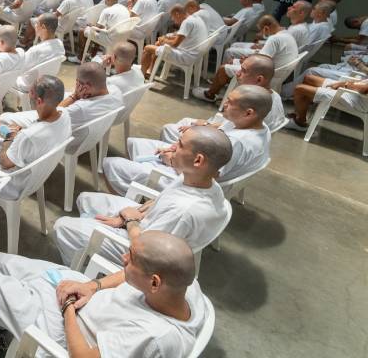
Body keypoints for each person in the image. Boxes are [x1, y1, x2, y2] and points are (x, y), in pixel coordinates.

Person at [0, 231, 208, 356]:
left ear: (154, 283)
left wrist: (67, 307)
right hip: (85, 299)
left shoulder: (155, 338)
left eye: (132, 258)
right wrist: (93, 286)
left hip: (67, 332)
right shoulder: (185, 285)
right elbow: (124, 277)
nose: (123, 258)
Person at [54, 126, 232, 265]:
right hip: (144, 226)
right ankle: (87, 251)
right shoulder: (202, 181)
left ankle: (79, 272)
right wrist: (133, 214)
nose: (172, 147)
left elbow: (144, 250)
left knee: (63, 227)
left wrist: (130, 222)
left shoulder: (183, 211)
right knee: (85, 199)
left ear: (198, 160)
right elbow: (161, 200)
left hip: (142, 252)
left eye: (180, 145)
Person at [105, 85, 272, 194]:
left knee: (110, 164)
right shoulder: (261, 128)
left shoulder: (236, 143)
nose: (224, 104)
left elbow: (206, 176)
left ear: (249, 113)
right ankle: (139, 185)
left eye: (230, 102)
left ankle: (133, 202)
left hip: (190, 186)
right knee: (135, 143)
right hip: (196, 168)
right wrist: (178, 149)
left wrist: (171, 159)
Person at [0, 76, 72, 200]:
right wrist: (15, 131)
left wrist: (9, 136)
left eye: (30, 92)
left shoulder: (29, 136)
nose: (28, 94)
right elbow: (36, 134)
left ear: (39, 101)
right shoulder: (64, 114)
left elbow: (5, 163)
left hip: (12, 183)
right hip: (36, 171)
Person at [0, 62, 123, 153]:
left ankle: (20, 151)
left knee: (4, 118)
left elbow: (50, 113)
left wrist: (75, 96)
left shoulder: (80, 109)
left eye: (78, 82)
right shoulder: (116, 91)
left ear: (86, 87)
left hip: (65, 139)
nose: (76, 84)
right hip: (89, 134)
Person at [164, 54, 285, 140]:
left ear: (259, 79)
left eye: (243, 71)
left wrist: (205, 126)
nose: (237, 73)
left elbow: (232, 132)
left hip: (222, 140)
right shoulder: (275, 97)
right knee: (185, 121)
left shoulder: (256, 105)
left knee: (169, 129)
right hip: (226, 130)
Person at [193, 15, 298, 102]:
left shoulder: (274, 39)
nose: (261, 34)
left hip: (264, 75)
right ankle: (228, 86)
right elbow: (265, 57)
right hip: (275, 73)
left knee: (223, 69)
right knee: (232, 61)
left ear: (266, 28)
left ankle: (210, 95)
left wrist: (245, 61)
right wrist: (245, 60)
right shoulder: (286, 34)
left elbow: (262, 62)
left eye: (261, 31)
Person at [141, 4, 208, 79]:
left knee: (147, 48)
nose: (172, 20)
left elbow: (175, 44)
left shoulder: (187, 23)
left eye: (172, 16)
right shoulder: (195, 18)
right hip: (194, 53)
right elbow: (182, 37)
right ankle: (150, 70)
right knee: (157, 44)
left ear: (177, 14)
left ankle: (141, 76)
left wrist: (164, 41)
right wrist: (166, 39)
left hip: (185, 56)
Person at [286, 75, 368, 131]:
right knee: (309, 78)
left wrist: (344, 85)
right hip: (353, 90)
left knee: (299, 89)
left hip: (354, 99)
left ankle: (300, 122)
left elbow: (364, 89)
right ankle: (298, 114)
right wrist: (343, 83)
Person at [13, 13, 65, 93]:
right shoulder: (60, 44)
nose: (35, 26)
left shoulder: (36, 50)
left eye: (37, 23)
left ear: (43, 27)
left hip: (27, 85)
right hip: (46, 83)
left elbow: (18, 70)